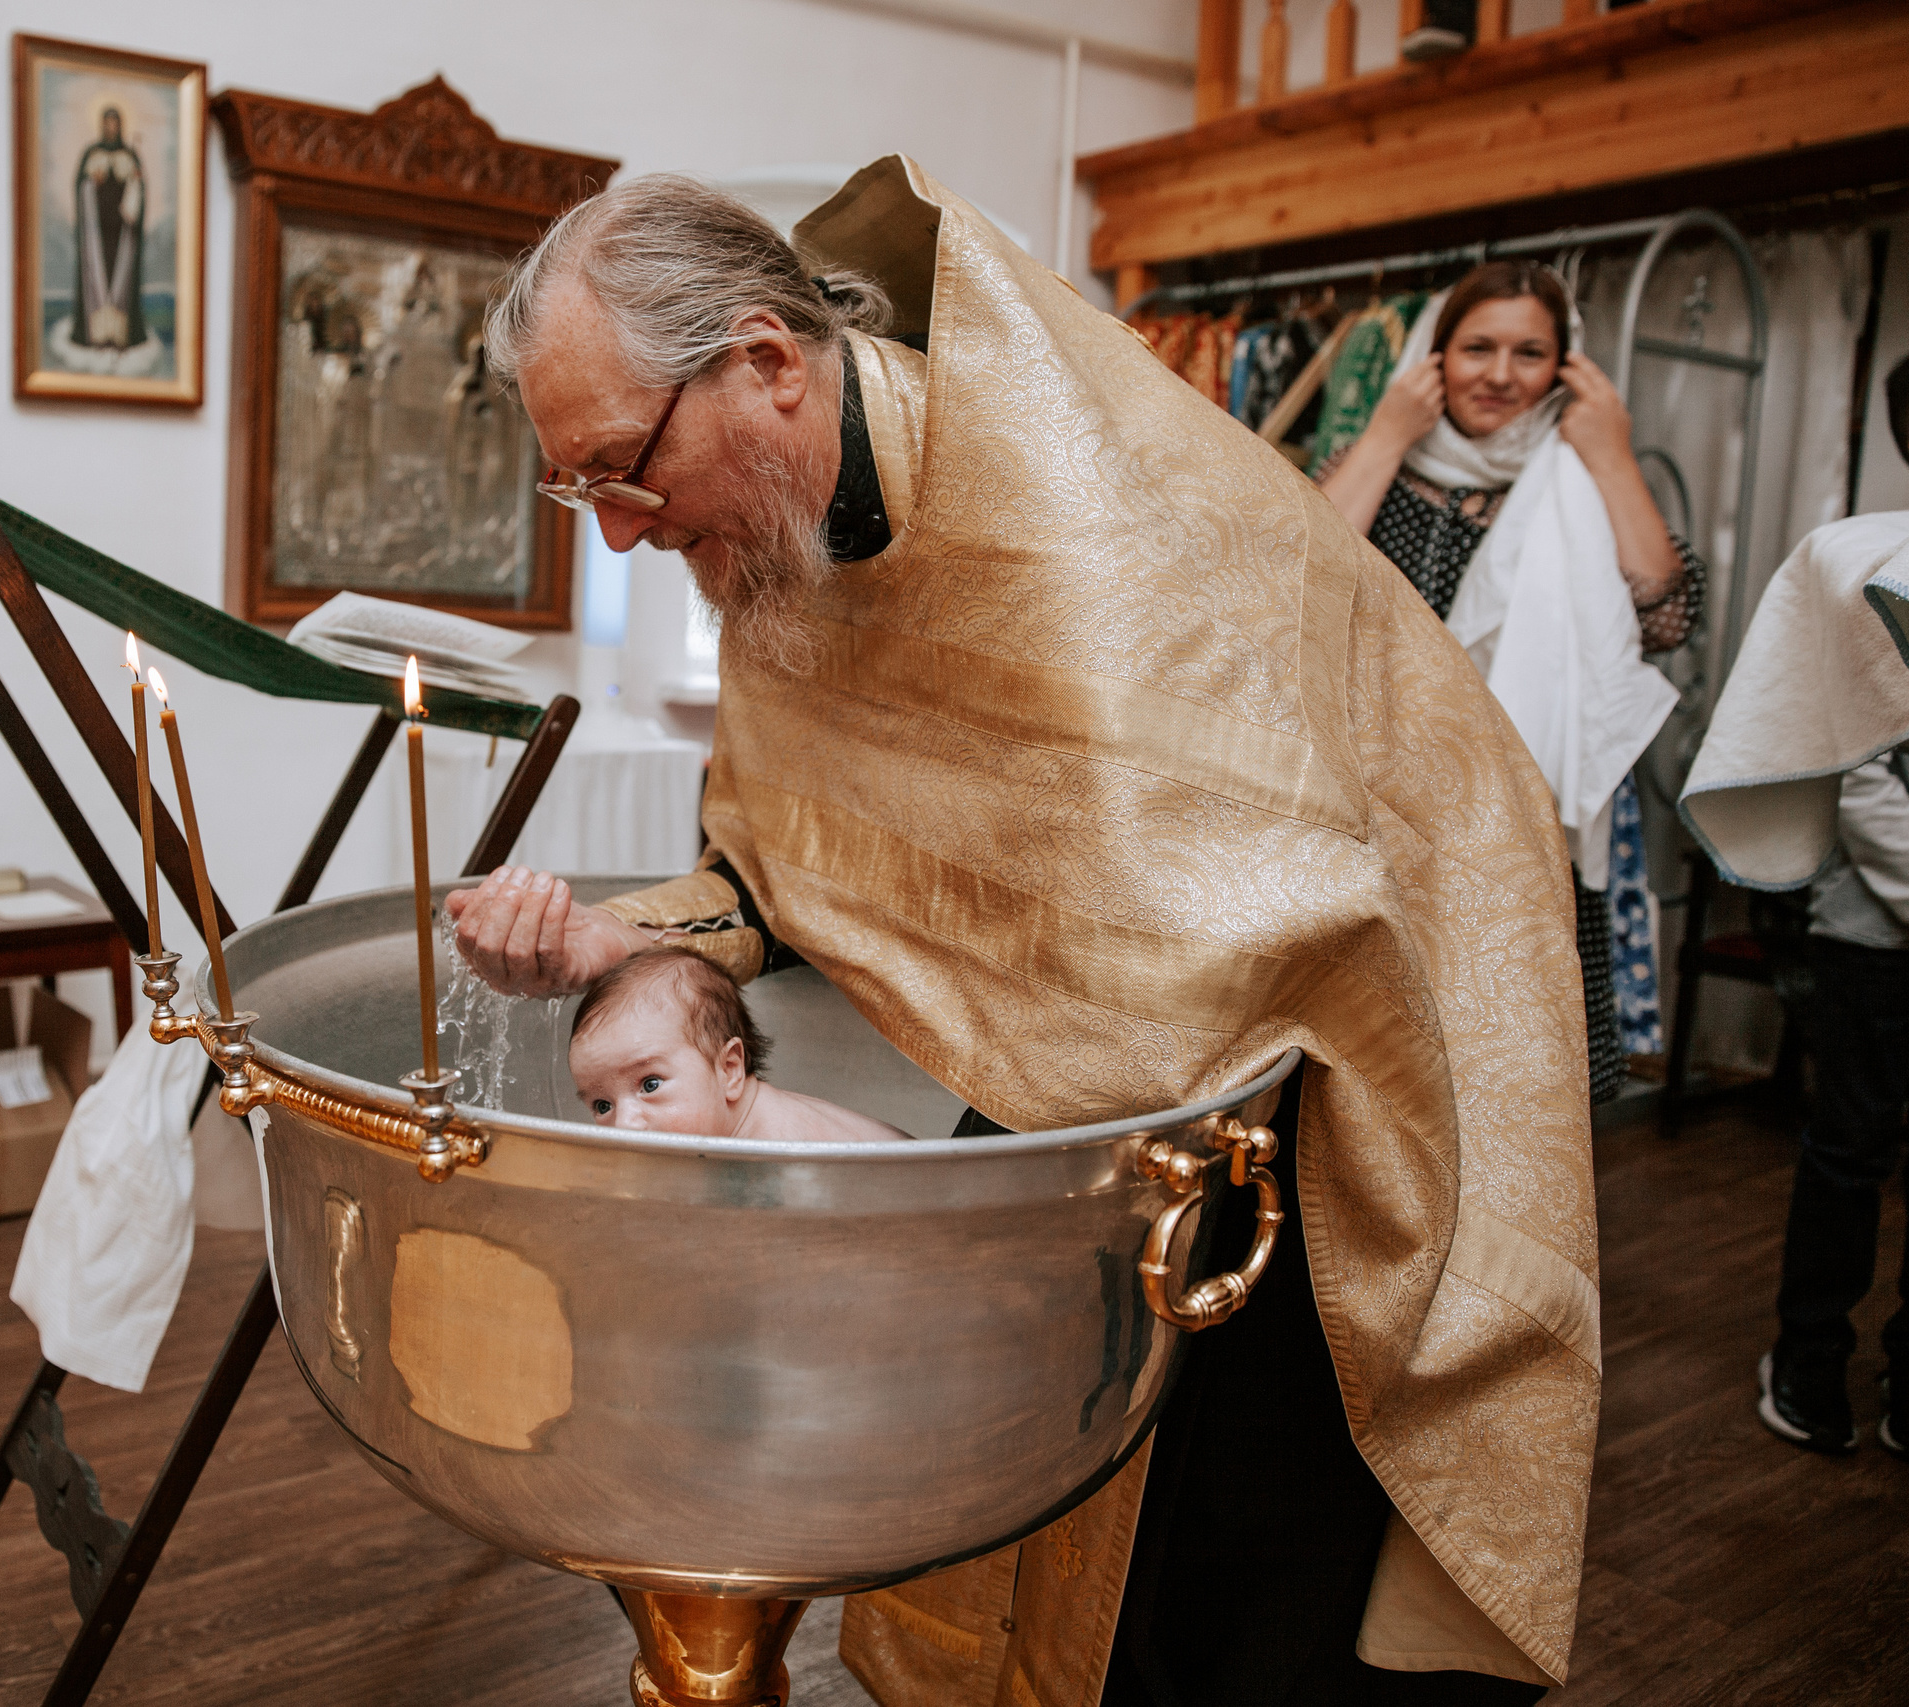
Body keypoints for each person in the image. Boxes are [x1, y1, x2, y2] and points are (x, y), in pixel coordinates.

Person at [449, 160, 1597, 1707]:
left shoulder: (1072, 505)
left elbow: (1245, 913)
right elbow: (798, 863)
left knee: (1230, 1580)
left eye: (621, 470)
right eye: (582, 490)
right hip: (1102, 1075)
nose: (625, 530)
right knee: (1022, 1484)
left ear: (767, 364)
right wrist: (615, 937)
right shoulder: (787, 543)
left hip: (1336, 1066)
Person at [1318, 259, 1706, 1103]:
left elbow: (1667, 619)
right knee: (1376, 1083)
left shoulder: (1578, 486)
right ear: (1433, 356)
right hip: (1382, 818)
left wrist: (1612, 457)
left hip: (1528, 828)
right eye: (1476, 348)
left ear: (1568, 367)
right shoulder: (1378, 468)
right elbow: (1294, 579)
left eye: (1530, 353)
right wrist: (1387, 435)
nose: (1499, 375)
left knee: (1509, 1087)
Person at [1757, 340, 1909, 1469]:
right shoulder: (1868, 569)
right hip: (1881, 927)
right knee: (1848, 1152)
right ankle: (1810, 1368)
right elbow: (1856, 763)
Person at [567, 945, 913, 1142]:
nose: (625, 1125)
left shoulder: (776, 1147)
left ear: (729, 1069)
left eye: (650, 1084)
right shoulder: (730, 1133)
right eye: (602, 1106)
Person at [73, 106, 144, 351]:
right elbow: (81, 188)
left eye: (115, 123)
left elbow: (138, 191)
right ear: (102, 126)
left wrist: (134, 182)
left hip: (121, 234)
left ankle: (120, 334)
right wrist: (92, 182)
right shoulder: (92, 154)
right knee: (97, 275)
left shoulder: (129, 155)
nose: (110, 128)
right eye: (107, 123)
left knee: (121, 275)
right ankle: (96, 334)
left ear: (120, 126)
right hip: (97, 234)